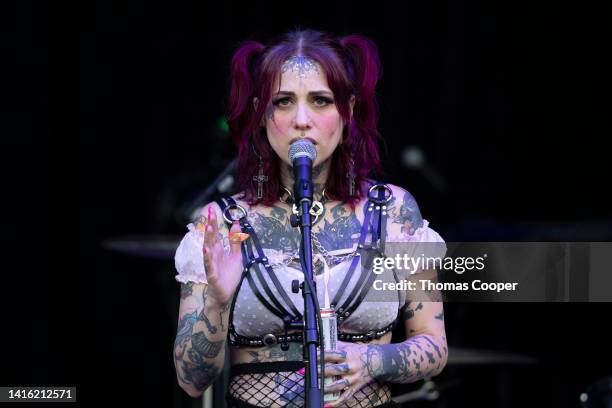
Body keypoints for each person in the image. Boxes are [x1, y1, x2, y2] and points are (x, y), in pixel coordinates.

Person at [173, 28, 448, 408]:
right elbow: (191, 380)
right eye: (284, 101)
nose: (302, 120)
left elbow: (434, 346)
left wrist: (370, 361)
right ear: (260, 112)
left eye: (320, 101)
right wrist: (217, 303)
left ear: (348, 110)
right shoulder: (223, 223)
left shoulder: (394, 212)